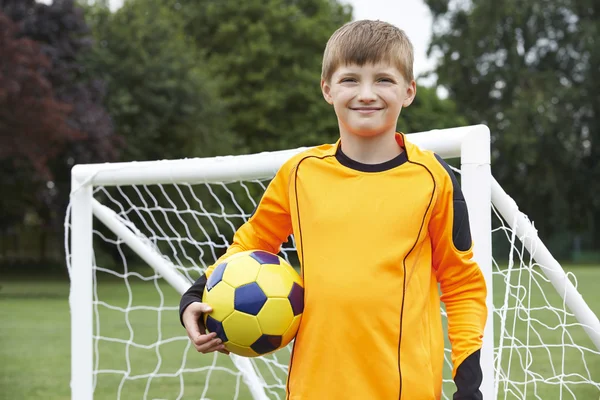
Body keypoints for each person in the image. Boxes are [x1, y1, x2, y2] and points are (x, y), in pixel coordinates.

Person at [179, 19, 487, 400]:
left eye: (384, 80)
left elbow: (461, 285)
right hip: (314, 390)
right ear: (327, 89)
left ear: (409, 91)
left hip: (406, 391)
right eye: (350, 79)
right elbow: (251, 243)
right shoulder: (299, 174)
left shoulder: (433, 178)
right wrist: (193, 298)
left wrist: (469, 387)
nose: (367, 93)